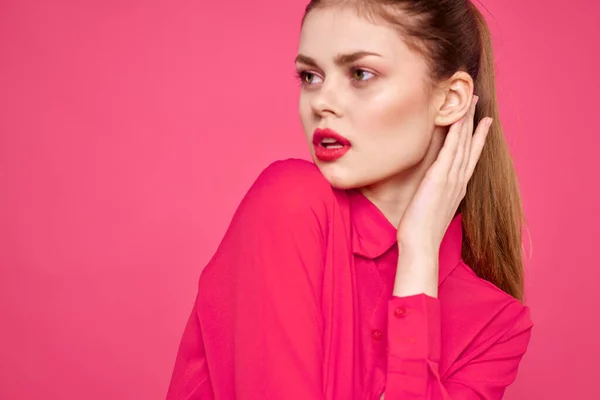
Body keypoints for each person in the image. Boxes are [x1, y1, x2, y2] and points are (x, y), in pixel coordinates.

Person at [166, 0, 533, 398]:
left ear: (449, 99)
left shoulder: (497, 325)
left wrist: (418, 258)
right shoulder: (289, 205)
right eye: (311, 76)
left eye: (360, 73)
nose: (321, 101)